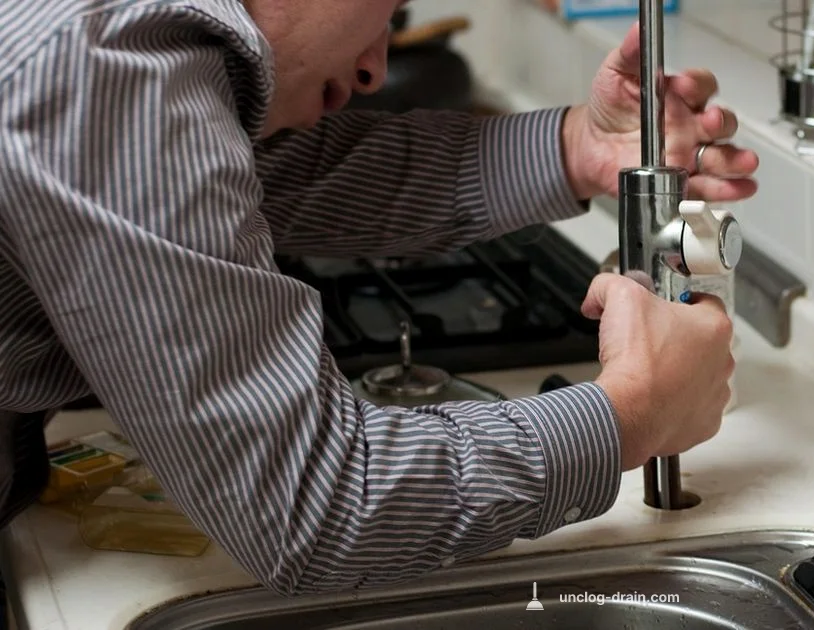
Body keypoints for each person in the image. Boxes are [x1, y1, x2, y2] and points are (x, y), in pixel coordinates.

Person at [0, 0, 759, 596]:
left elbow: (279, 181)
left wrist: (577, 148)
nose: (373, 70)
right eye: (389, 10)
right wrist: (630, 414)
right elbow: (313, 509)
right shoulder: (108, 62)